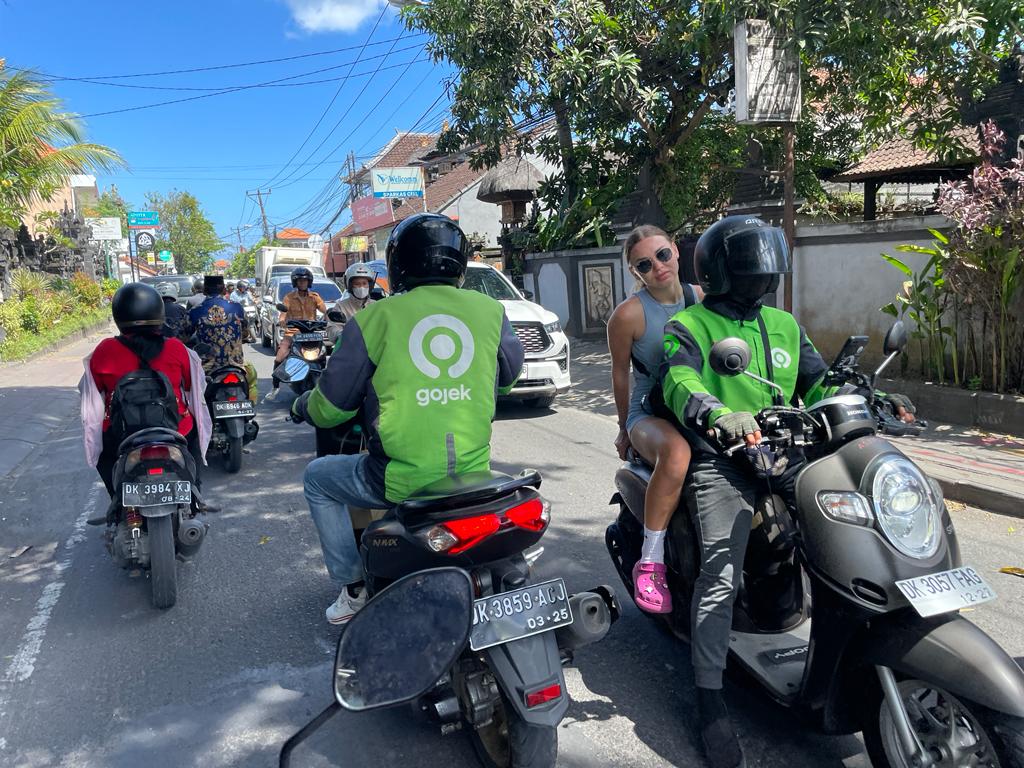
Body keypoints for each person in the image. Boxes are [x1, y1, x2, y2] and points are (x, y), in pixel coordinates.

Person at [660, 216, 916, 768]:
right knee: (720, 574)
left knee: (846, 530)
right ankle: (709, 699)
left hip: (787, 452)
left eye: (766, 265)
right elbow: (680, 382)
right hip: (723, 460)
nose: (761, 275)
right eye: (751, 265)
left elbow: (817, 381)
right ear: (721, 270)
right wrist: (719, 415)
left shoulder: (782, 323)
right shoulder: (690, 324)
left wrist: (871, 395)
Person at [290, 213, 524, 625]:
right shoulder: (490, 311)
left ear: (398, 265)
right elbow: (507, 380)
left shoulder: (374, 319)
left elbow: (332, 408)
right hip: (474, 476)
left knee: (317, 478)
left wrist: (302, 405)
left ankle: (353, 586)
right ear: (460, 263)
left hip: (399, 481)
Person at [606, 225, 701, 614]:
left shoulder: (701, 299)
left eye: (662, 255)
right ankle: (651, 560)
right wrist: (623, 427)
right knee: (676, 454)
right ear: (636, 273)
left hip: (699, 405)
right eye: (644, 263)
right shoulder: (627, 315)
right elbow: (620, 375)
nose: (658, 267)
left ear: (676, 252)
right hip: (651, 410)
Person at [79, 283, 211, 497]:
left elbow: (95, 393)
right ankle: (194, 494)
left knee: (104, 457)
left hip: (122, 433)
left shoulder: (104, 350)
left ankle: (118, 501)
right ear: (157, 313)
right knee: (193, 435)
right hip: (175, 428)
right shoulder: (176, 348)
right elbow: (191, 386)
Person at [189, 275, 259, 402]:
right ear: (224, 290)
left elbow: (185, 334)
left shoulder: (196, 310)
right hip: (236, 364)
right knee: (252, 379)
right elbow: (245, 330)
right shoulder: (236, 307)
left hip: (208, 368)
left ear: (204, 290)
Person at [265, 267, 326, 403]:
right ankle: (275, 387)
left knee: (324, 355)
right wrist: (282, 321)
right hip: (293, 333)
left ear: (309, 282)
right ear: (295, 282)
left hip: (311, 334)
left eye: (305, 281)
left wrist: (330, 317)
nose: (302, 283)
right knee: (280, 356)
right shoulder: (289, 297)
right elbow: (283, 314)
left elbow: (324, 311)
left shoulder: (315, 297)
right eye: (300, 281)